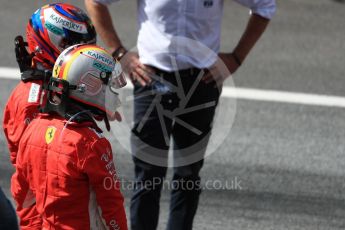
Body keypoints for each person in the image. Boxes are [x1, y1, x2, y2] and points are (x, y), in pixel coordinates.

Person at [85, 0, 276, 229]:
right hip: (151, 79)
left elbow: (264, 6)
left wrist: (236, 58)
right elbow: (95, 2)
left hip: (202, 82)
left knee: (188, 175)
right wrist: (119, 53)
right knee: (148, 174)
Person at [11, 44, 128, 229]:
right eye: (110, 86)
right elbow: (111, 204)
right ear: (89, 86)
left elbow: (23, 193)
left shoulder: (33, 129)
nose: (115, 94)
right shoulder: (91, 143)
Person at [3, 3, 97, 229]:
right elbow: (35, 170)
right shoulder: (32, 100)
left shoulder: (59, 87)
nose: (82, 53)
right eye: (76, 44)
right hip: (43, 211)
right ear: (53, 42)